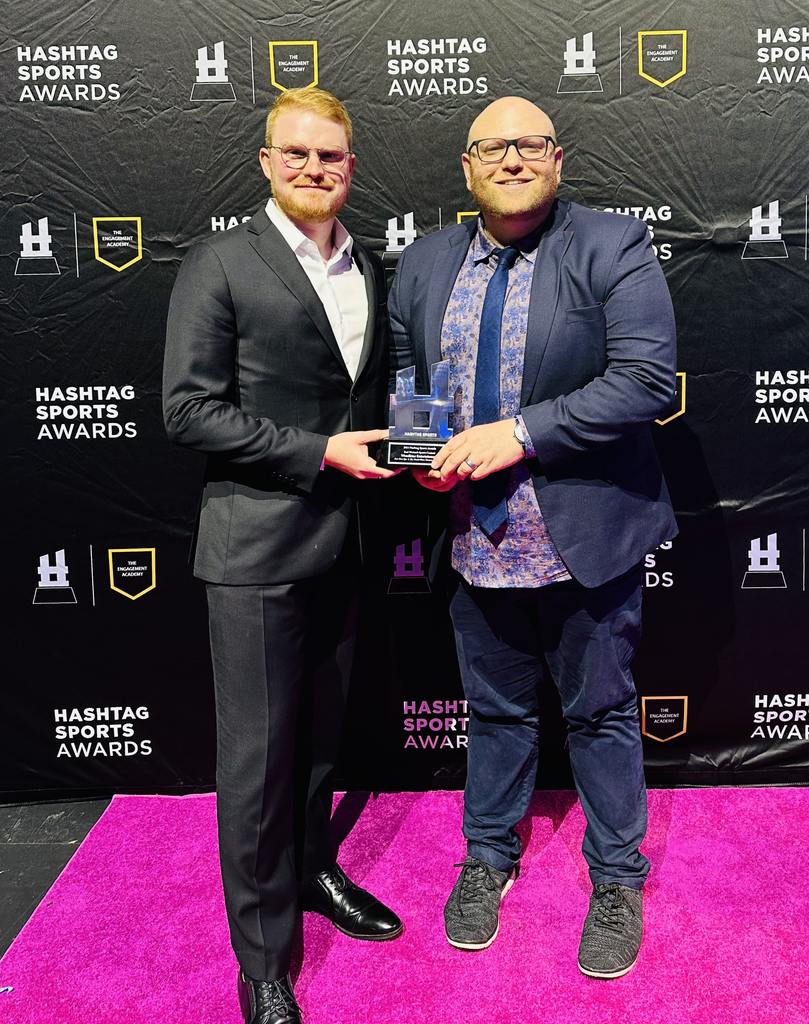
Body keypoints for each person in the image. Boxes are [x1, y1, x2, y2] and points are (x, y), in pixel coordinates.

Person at [388, 96, 677, 979]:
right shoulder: (425, 262)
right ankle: (488, 859)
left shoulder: (612, 245)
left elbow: (646, 380)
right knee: (496, 712)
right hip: (477, 541)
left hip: (584, 537)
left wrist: (517, 432)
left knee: (599, 712)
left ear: (558, 159)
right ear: (466, 168)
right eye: (492, 147)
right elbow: (410, 376)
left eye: (530, 144)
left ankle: (618, 878)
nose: (512, 158)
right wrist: (416, 455)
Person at [163, 87, 402, 1024]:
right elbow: (187, 409)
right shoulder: (220, 263)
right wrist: (318, 455)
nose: (314, 170)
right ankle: (262, 960)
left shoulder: (369, 265)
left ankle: (309, 873)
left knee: (320, 745)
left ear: (351, 166)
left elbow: (366, 399)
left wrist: (406, 452)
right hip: (255, 553)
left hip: (347, 543)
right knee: (258, 763)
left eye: (331, 157)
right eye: (297, 154)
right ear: (266, 161)